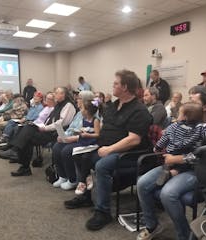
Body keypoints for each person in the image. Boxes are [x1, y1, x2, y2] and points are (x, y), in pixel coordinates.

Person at [64, 69, 152, 231]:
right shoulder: (112, 106)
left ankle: (103, 212)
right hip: (104, 146)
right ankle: (86, 196)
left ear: (125, 87)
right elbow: (101, 123)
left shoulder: (139, 111)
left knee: (102, 165)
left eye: (116, 83)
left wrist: (109, 149)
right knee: (78, 154)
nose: (113, 85)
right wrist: (90, 135)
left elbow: (134, 139)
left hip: (128, 153)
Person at [137, 88, 206, 240]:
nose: (188, 103)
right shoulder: (182, 123)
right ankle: (152, 225)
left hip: (198, 170)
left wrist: (179, 159)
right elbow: (165, 141)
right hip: (173, 164)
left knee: (168, 193)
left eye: (193, 101)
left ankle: (183, 235)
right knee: (142, 183)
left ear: (205, 107)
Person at [0, 87, 76, 176]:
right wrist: (42, 126)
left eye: (57, 92)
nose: (55, 94)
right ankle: (22, 162)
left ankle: (17, 153)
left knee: (27, 133)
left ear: (63, 95)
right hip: (48, 130)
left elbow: (61, 123)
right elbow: (50, 119)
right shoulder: (58, 105)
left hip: (56, 134)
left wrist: (45, 128)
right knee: (27, 130)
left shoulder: (68, 106)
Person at [154, 102, 206, 186]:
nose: (177, 115)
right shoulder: (201, 128)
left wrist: (157, 148)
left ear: (185, 117)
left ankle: (167, 170)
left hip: (172, 153)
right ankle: (172, 173)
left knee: (171, 163)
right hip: (188, 154)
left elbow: (164, 139)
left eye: (179, 113)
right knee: (184, 166)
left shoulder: (173, 126)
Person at [52, 91, 95, 190]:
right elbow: (71, 128)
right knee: (56, 147)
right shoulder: (79, 113)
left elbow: (90, 133)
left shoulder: (93, 114)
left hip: (83, 140)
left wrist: (72, 138)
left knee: (66, 151)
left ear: (85, 101)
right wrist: (64, 136)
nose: (77, 100)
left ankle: (73, 179)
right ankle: (63, 176)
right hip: (72, 138)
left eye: (79, 98)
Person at [73, 99, 101, 195]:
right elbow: (83, 130)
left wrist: (88, 135)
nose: (81, 111)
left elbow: (97, 134)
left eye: (82, 109)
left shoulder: (95, 120)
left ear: (87, 111)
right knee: (76, 155)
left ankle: (81, 182)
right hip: (83, 142)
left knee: (85, 158)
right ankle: (88, 176)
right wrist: (79, 132)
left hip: (92, 143)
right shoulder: (83, 120)